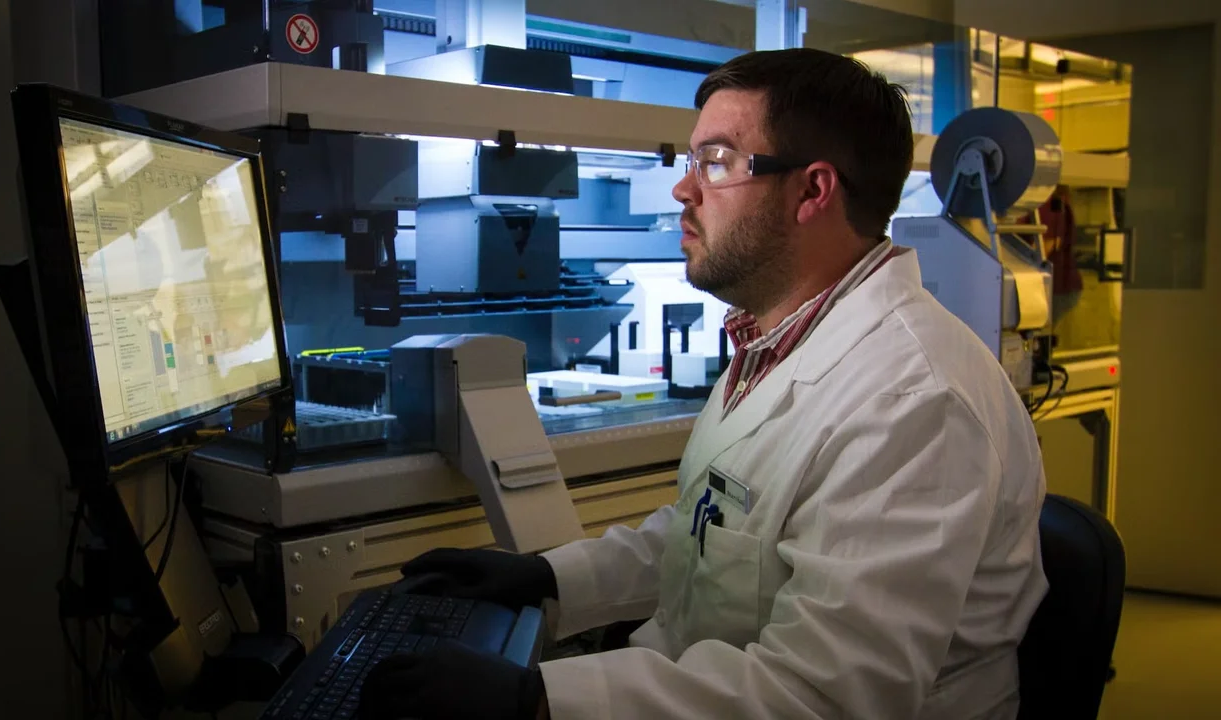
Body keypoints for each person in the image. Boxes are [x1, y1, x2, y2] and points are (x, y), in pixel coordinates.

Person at [361, 47, 1047, 720]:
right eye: (691, 161)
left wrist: (539, 701)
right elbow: (710, 537)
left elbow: (825, 696)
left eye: (717, 162)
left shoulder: (914, 402)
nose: (683, 189)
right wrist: (548, 575)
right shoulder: (774, 338)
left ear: (813, 190)